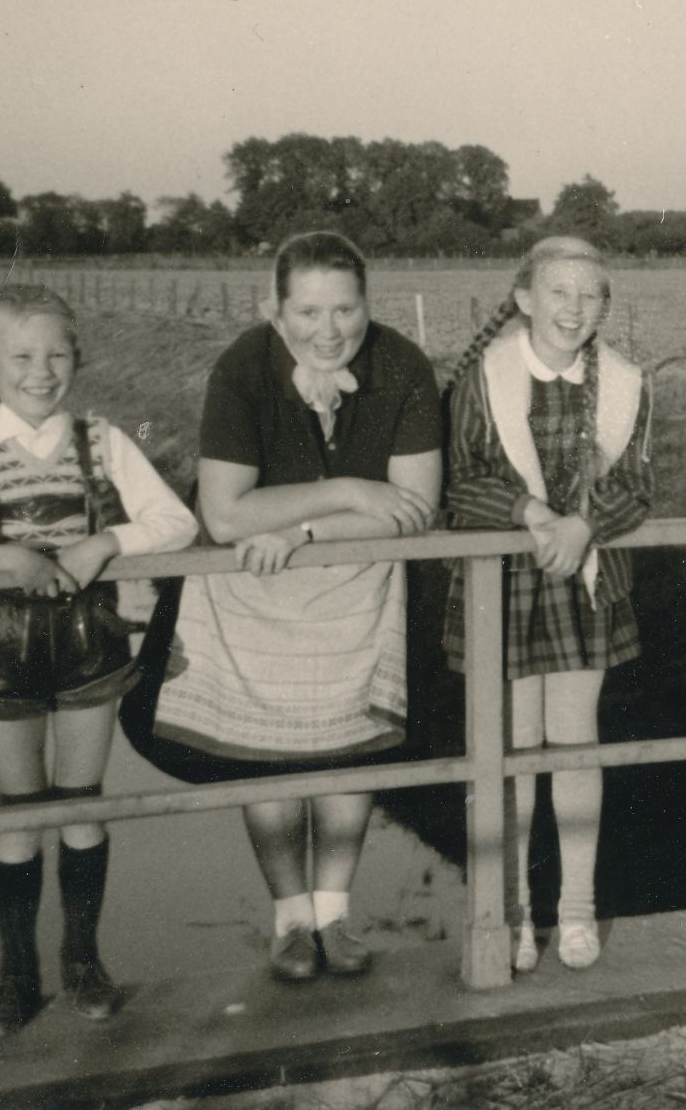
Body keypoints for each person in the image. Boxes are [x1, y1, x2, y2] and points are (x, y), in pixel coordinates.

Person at [122, 231, 442, 982]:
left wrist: (303, 529)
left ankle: (334, 916)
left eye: (345, 310)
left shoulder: (402, 366)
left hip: (354, 584)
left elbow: (417, 509)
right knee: (261, 758)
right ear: (275, 308)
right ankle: (291, 924)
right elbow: (226, 514)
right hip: (252, 591)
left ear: (368, 304)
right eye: (308, 312)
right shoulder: (243, 367)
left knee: (351, 756)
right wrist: (352, 490)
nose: (329, 331)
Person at [0, 285, 197, 1038]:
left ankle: (84, 961)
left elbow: (176, 520)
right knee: (21, 812)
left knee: (82, 803)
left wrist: (106, 542)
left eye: (57, 354)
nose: (41, 371)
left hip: (92, 648)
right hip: (4, 652)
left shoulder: (105, 442)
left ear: (78, 360)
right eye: (22, 356)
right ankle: (16, 974)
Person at [443, 236, 653, 973]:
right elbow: (460, 480)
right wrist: (532, 513)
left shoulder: (625, 382)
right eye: (558, 292)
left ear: (604, 306)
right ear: (525, 300)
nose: (574, 308)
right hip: (505, 581)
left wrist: (583, 525)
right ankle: (514, 915)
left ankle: (576, 910)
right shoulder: (486, 376)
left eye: (590, 295)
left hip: (583, 579)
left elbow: (637, 485)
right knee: (511, 753)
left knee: (574, 746)